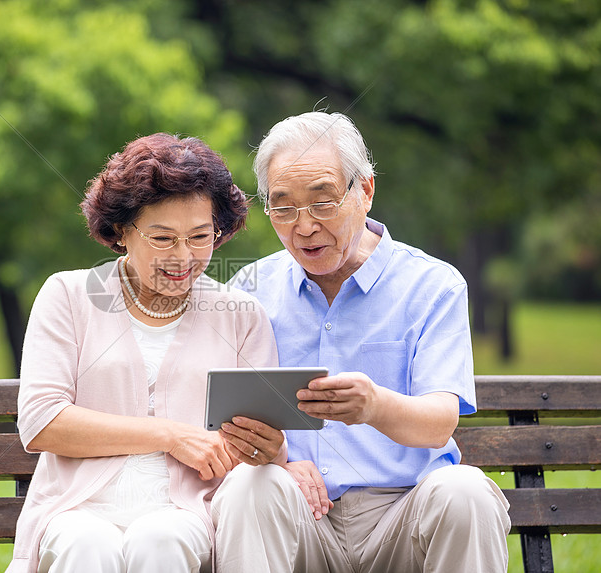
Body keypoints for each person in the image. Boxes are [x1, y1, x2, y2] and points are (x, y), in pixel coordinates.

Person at [211, 112, 511, 573]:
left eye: (322, 201)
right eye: (283, 207)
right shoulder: (250, 289)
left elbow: (438, 423)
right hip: (301, 515)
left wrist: (374, 405)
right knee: (250, 487)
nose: (304, 226)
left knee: (465, 492)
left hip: (402, 514)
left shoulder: (432, 286)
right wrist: (280, 460)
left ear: (365, 191)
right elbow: (225, 419)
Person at [5, 133, 282, 573]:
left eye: (199, 236)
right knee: (85, 545)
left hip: (185, 512)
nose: (183, 256)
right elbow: (41, 423)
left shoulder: (240, 315)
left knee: (161, 541)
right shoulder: (69, 295)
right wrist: (170, 435)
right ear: (120, 231)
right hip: (78, 506)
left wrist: (267, 446)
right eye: (162, 238)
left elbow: (258, 441)